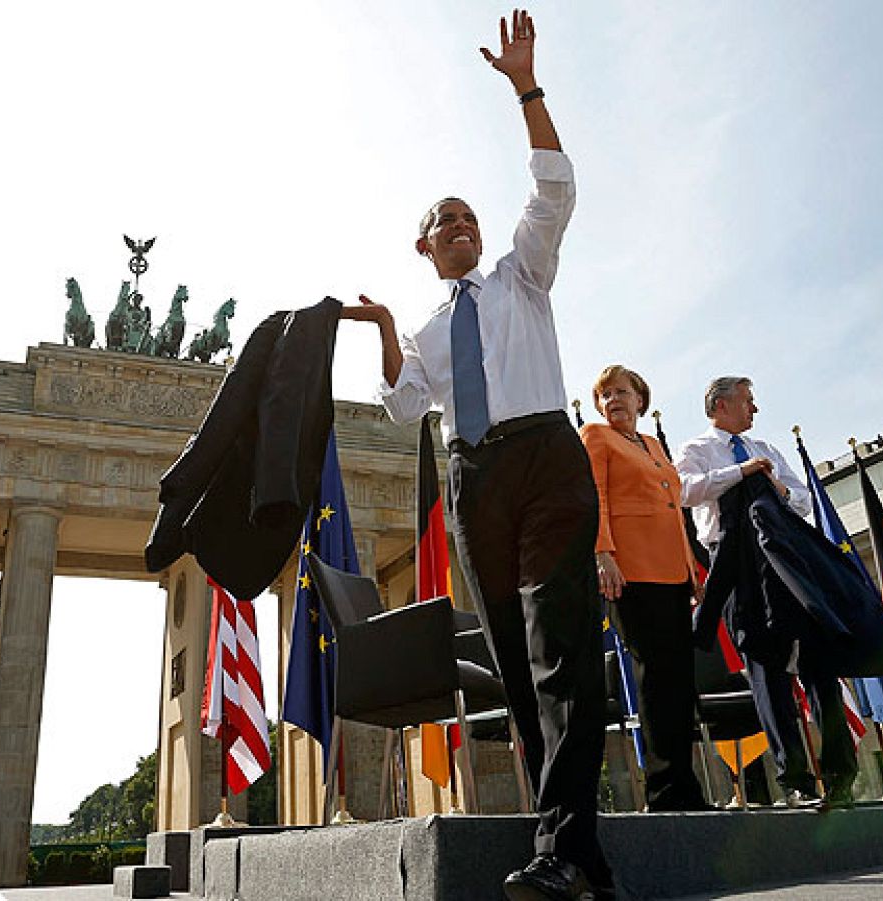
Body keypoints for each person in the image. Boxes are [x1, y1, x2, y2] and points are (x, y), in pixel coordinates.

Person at [342, 10, 613, 900]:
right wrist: (384, 331)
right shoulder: (425, 326)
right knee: (515, 663)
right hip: (474, 481)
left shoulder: (520, 277)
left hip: (545, 460)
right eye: (440, 221)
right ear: (422, 247)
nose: (458, 223)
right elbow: (402, 405)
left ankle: (566, 846)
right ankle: (575, 854)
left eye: (466, 214)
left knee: (558, 649)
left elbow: (556, 189)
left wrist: (525, 87)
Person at [675, 376, 857, 809]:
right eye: (747, 402)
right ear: (721, 405)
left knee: (817, 661)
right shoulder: (696, 451)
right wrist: (741, 473)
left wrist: (773, 485)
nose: (755, 411)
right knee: (764, 666)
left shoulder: (768, 450)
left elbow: (802, 500)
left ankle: (839, 775)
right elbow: (685, 492)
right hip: (736, 565)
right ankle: (795, 778)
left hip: (786, 561)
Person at [580, 365, 710, 813]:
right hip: (630, 570)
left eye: (621, 392)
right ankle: (664, 792)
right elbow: (592, 495)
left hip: (674, 571)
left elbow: (674, 508)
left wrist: (693, 569)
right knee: (654, 677)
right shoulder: (595, 436)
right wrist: (602, 553)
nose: (613, 399)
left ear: (640, 398)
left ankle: (686, 787)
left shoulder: (653, 445)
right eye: (605, 394)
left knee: (678, 682)